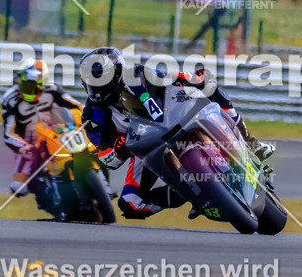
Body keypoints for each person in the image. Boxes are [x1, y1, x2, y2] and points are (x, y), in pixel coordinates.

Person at [78, 47, 275, 220]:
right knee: (131, 203)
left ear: (117, 73)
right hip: (144, 151)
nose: (97, 88)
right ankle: (186, 194)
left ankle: (251, 143)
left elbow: (169, 78)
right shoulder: (91, 116)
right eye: (92, 83)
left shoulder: (138, 74)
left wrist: (193, 78)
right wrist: (117, 149)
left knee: (210, 87)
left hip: (174, 118)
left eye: (102, 80)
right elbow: (104, 157)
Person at [1, 59, 86, 200]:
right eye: (24, 85)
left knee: (89, 147)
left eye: (32, 86)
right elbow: (8, 133)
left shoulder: (52, 89)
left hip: (54, 132)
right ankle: (48, 197)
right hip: (30, 145)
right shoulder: (11, 99)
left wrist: (87, 114)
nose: (26, 90)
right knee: (19, 187)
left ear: (42, 84)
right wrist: (22, 146)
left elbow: (75, 105)